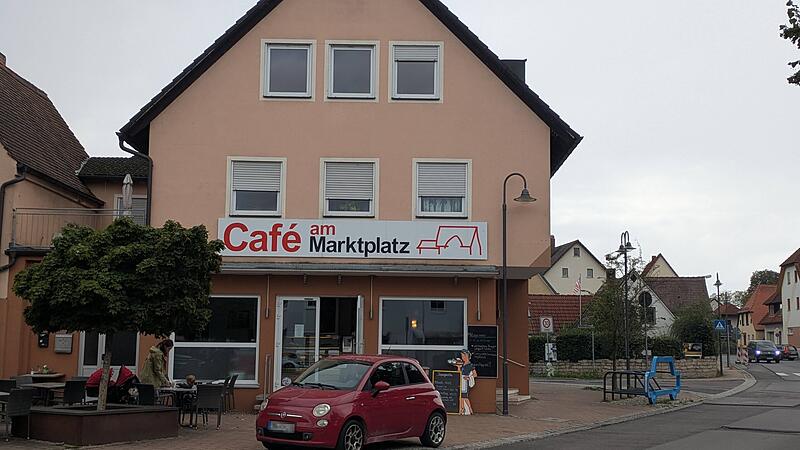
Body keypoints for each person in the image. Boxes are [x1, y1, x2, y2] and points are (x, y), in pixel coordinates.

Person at [453, 349, 477, 415]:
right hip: (461, 381)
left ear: (467, 356)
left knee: (464, 396)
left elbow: (475, 374)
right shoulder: (462, 364)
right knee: (461, 396)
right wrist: (458, 367)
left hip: (465, 383)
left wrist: (469, 377)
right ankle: (462, 409)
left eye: (463, 356)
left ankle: (469, 409)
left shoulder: (470, 365)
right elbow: (459, 373)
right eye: (462, 356)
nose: (462, 357)